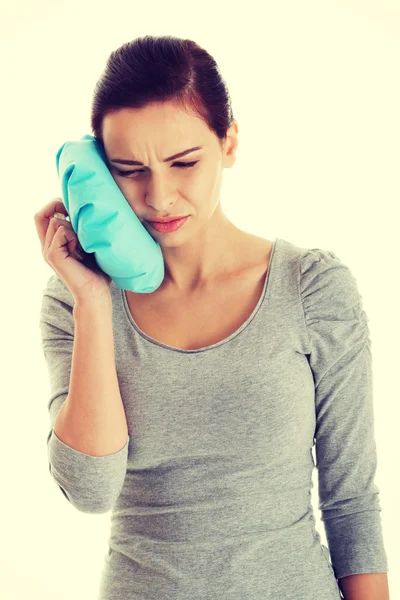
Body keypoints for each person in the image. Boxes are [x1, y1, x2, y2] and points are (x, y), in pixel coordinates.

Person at [35, 35, 388, 600]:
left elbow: (351, 503)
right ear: (99, 171)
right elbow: (90, 491)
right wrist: (94, 302)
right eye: (129, 169)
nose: (159, 196)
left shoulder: (312, 287)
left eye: (184, 162)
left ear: (228, 142)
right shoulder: (72, 302)